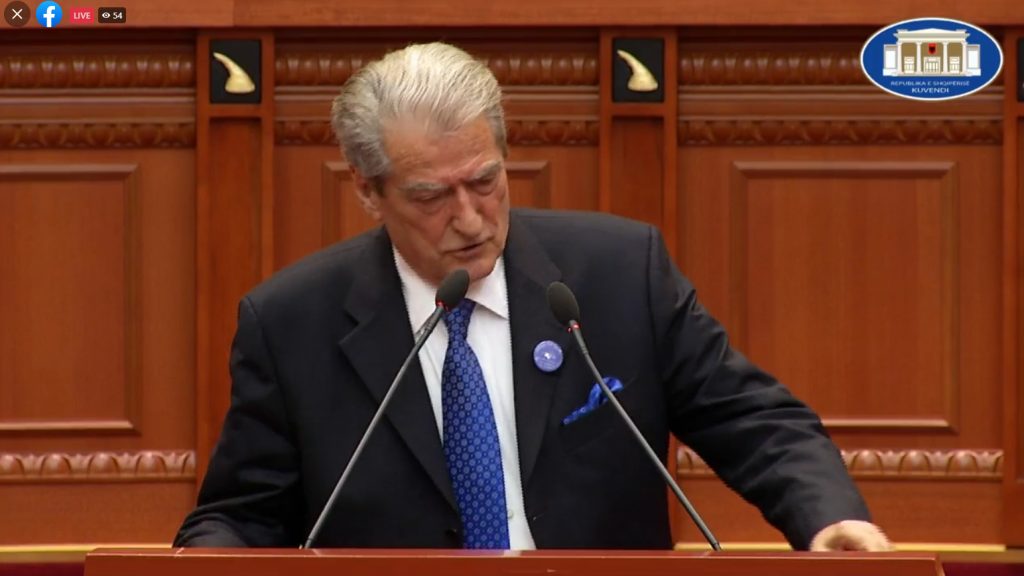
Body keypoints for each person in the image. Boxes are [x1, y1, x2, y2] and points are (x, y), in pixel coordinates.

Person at [174, 41, 890, 552]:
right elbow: (240, 515)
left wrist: (828, 517)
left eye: (485, 180)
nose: (470, 218)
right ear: (368, 189)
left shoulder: (617, 274)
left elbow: (755, 420)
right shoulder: (291, 322)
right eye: (430, 196)